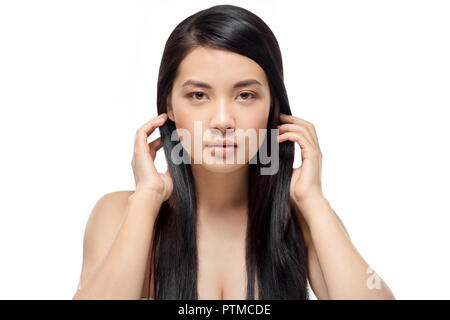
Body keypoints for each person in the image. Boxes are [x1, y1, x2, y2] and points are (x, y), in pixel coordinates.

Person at [72, 4, 395, 300]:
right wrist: (146, 199)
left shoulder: (303, 217)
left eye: (245, 95)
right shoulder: (120, 212)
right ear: (168, 106)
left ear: (274, 106)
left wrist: (313, 201)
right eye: (198, 95)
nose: (224, 121)